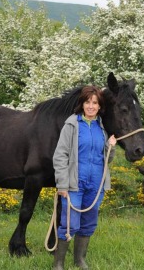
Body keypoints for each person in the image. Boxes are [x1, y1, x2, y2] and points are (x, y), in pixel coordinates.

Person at [53, 85, 117, 270]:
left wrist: (110, 147)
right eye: (87, 102)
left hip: (96, 184)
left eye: (94, 103)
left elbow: (106, 159)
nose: (91, 106)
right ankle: (58, 263)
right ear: (82, 104)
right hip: (74, 183)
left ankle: (79, 260)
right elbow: (60, 156)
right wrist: (62, 184)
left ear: (99, 106)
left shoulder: (102, 127)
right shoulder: (72, 125)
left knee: (89, 223)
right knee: (70, 223)